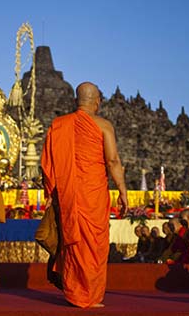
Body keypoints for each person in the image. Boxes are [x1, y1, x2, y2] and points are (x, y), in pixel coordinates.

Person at [41, 82, 129, 308]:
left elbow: (48, 163)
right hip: (93, 194)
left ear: (75, 101)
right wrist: (123, 190)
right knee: (94, 243)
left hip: (68, 193)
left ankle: (75, 292)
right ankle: (88, 295)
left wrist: (50, 191)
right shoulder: (103, 125)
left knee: (74, 241)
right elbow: (112, 161)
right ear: (97, 101)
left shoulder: (59, 125)